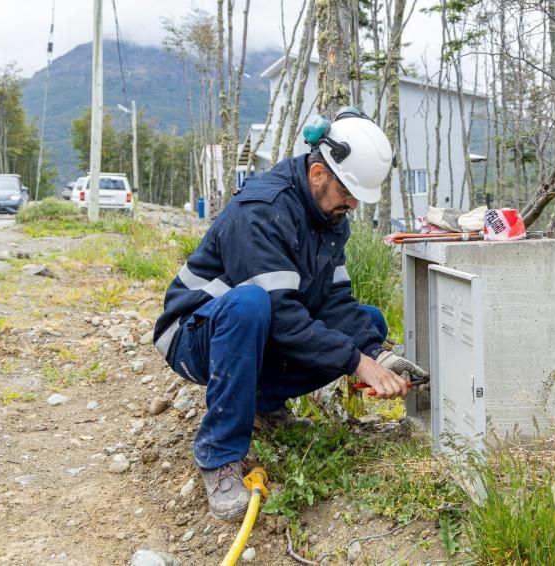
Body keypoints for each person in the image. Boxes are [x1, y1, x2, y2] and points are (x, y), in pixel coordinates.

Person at [152, 106, 429, 521]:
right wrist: (357, 363)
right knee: (252, 305)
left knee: (369, 323)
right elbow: (281, 317)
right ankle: (219, 455)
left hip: (254, 328)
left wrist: (376, 352)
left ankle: (262, 404)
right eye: (348, 193)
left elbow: (334, 299)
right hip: (194, 333)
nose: (352, 204)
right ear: (318, 174)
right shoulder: (261, 211)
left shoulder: (329, 216)